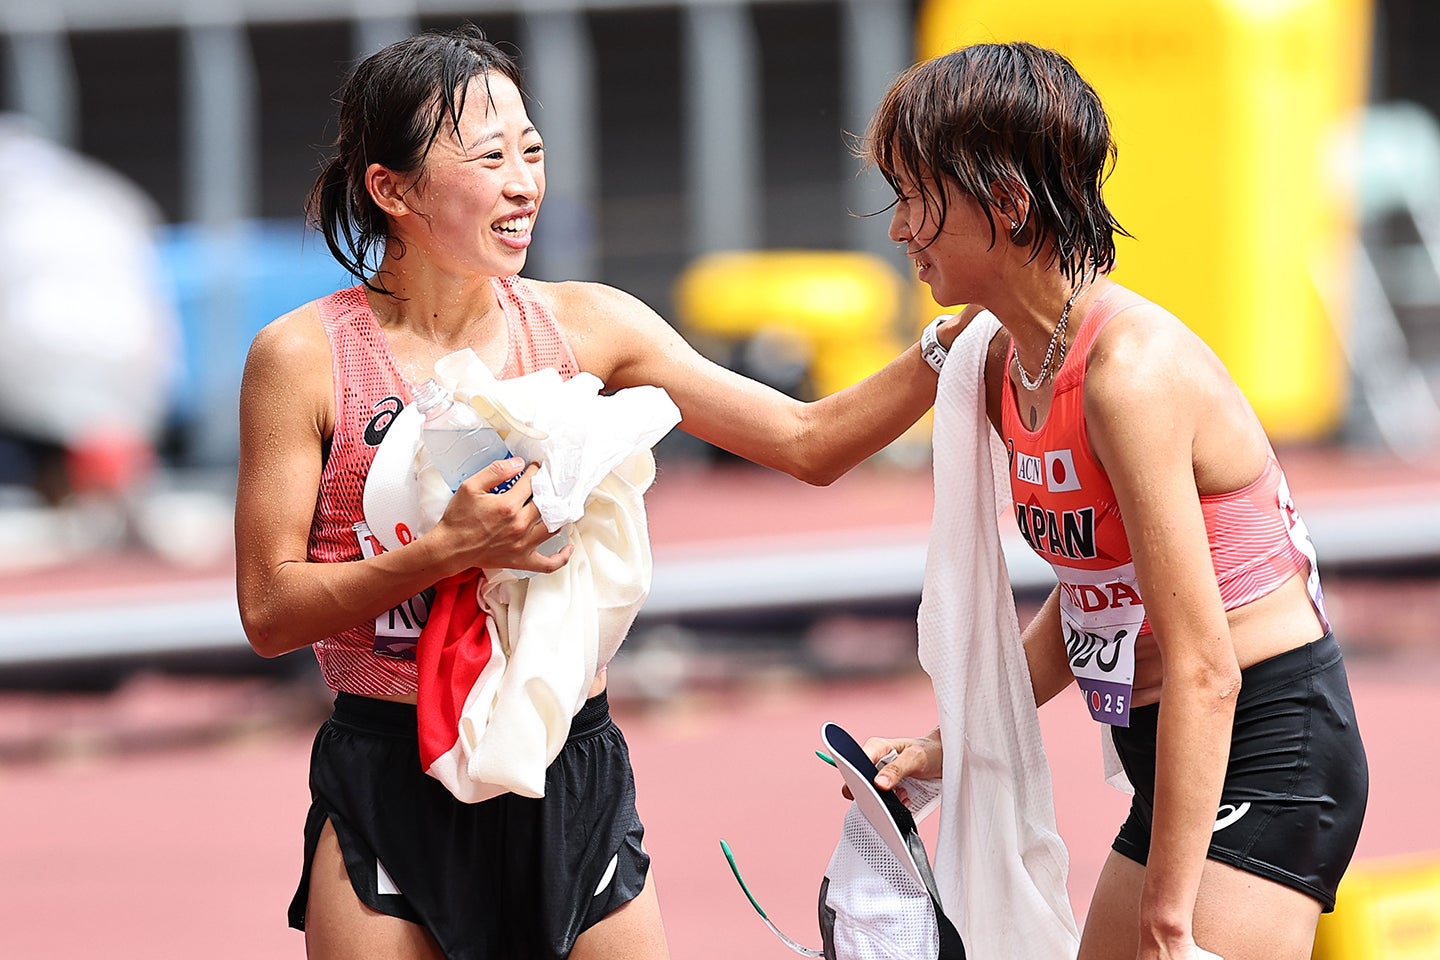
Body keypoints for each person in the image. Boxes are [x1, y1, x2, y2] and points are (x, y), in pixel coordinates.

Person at [233, 24, 959, 960]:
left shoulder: (590, 326)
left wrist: (954, 339)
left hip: (569, 773)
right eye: (489, 157)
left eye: (532, 151)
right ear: (392, 189)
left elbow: (807, 442)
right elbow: (269, 612)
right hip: (389, 776)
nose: (524, 183)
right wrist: (445, 553)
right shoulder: (304, 357)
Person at [851, 42, 1368, 960]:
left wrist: (1168, 925)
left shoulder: (1130, 373)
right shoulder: (1006, 361)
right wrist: (949, 741)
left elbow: (1207, 667)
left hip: (1265, 740)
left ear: (1007, 203)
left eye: (915, 198)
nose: (897, 230)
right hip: (1173, 747)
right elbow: (1096, 596)